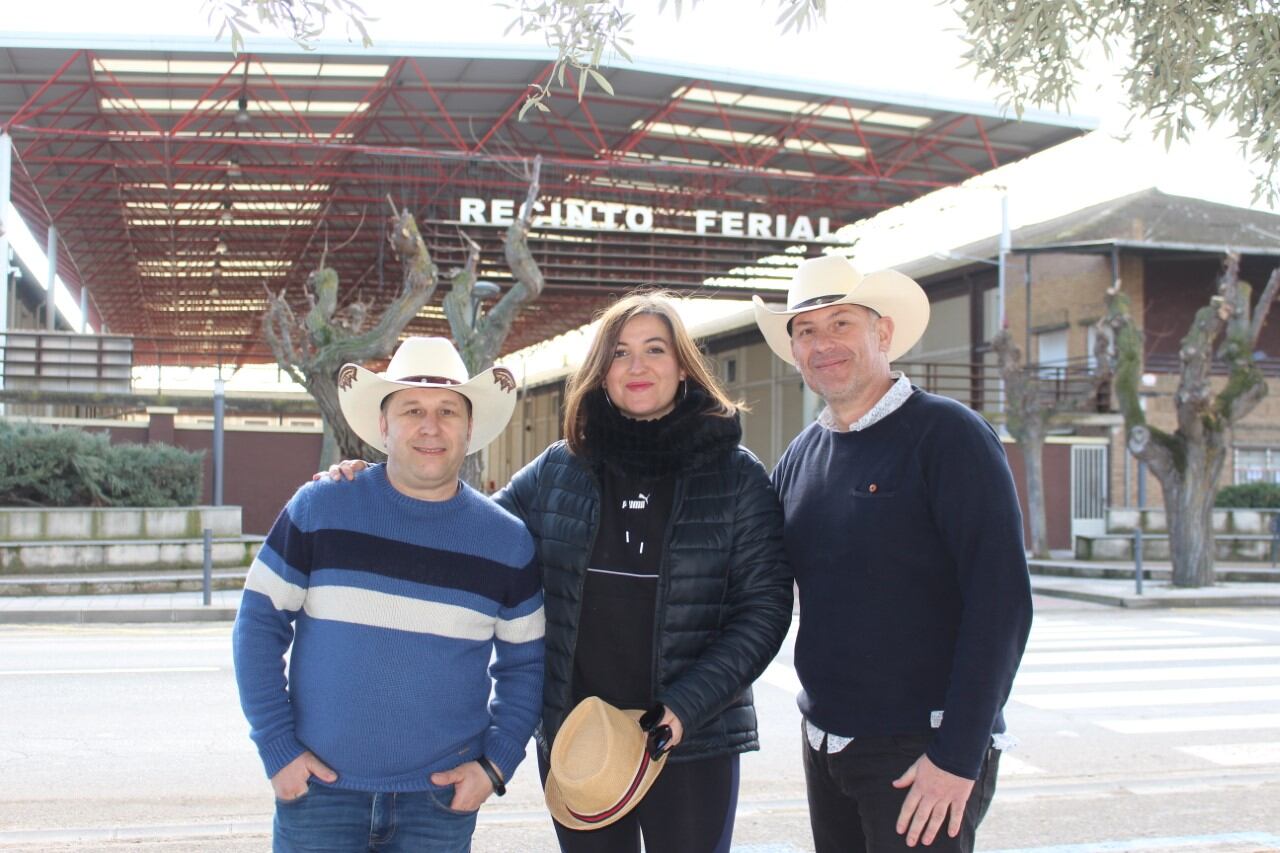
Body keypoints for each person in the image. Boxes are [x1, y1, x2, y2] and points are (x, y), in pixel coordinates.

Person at [326, 292, 793, 853]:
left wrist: (686, 708)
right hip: (581, 743)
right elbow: (464, 533)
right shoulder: (559, 467)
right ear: (601, 373)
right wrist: (381, 482)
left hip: (690, 740)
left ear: (682, 366)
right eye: (620, 353)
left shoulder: (737, 477)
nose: (637, 366)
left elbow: (764, 609)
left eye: (655, 350)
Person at [753, 256, 1033, 853]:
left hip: (921, 750)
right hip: (827, 741)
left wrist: (958, 755)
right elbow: (755, 580)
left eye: (841, 323)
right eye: (806, 331)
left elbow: (1002, 604)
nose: (822, 343)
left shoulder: (949, 435)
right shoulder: (802, 456)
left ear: (883, 332)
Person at [234, 336, 544, 853]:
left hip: (438, 806)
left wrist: (495, 764)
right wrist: (276, 748)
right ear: (383, 425)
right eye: (411, 410)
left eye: (448, 410)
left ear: (469, 428)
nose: (430, 426)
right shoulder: (321, 508)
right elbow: (257, 627)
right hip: (319, 796)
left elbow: (527, 666)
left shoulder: (507, 542)